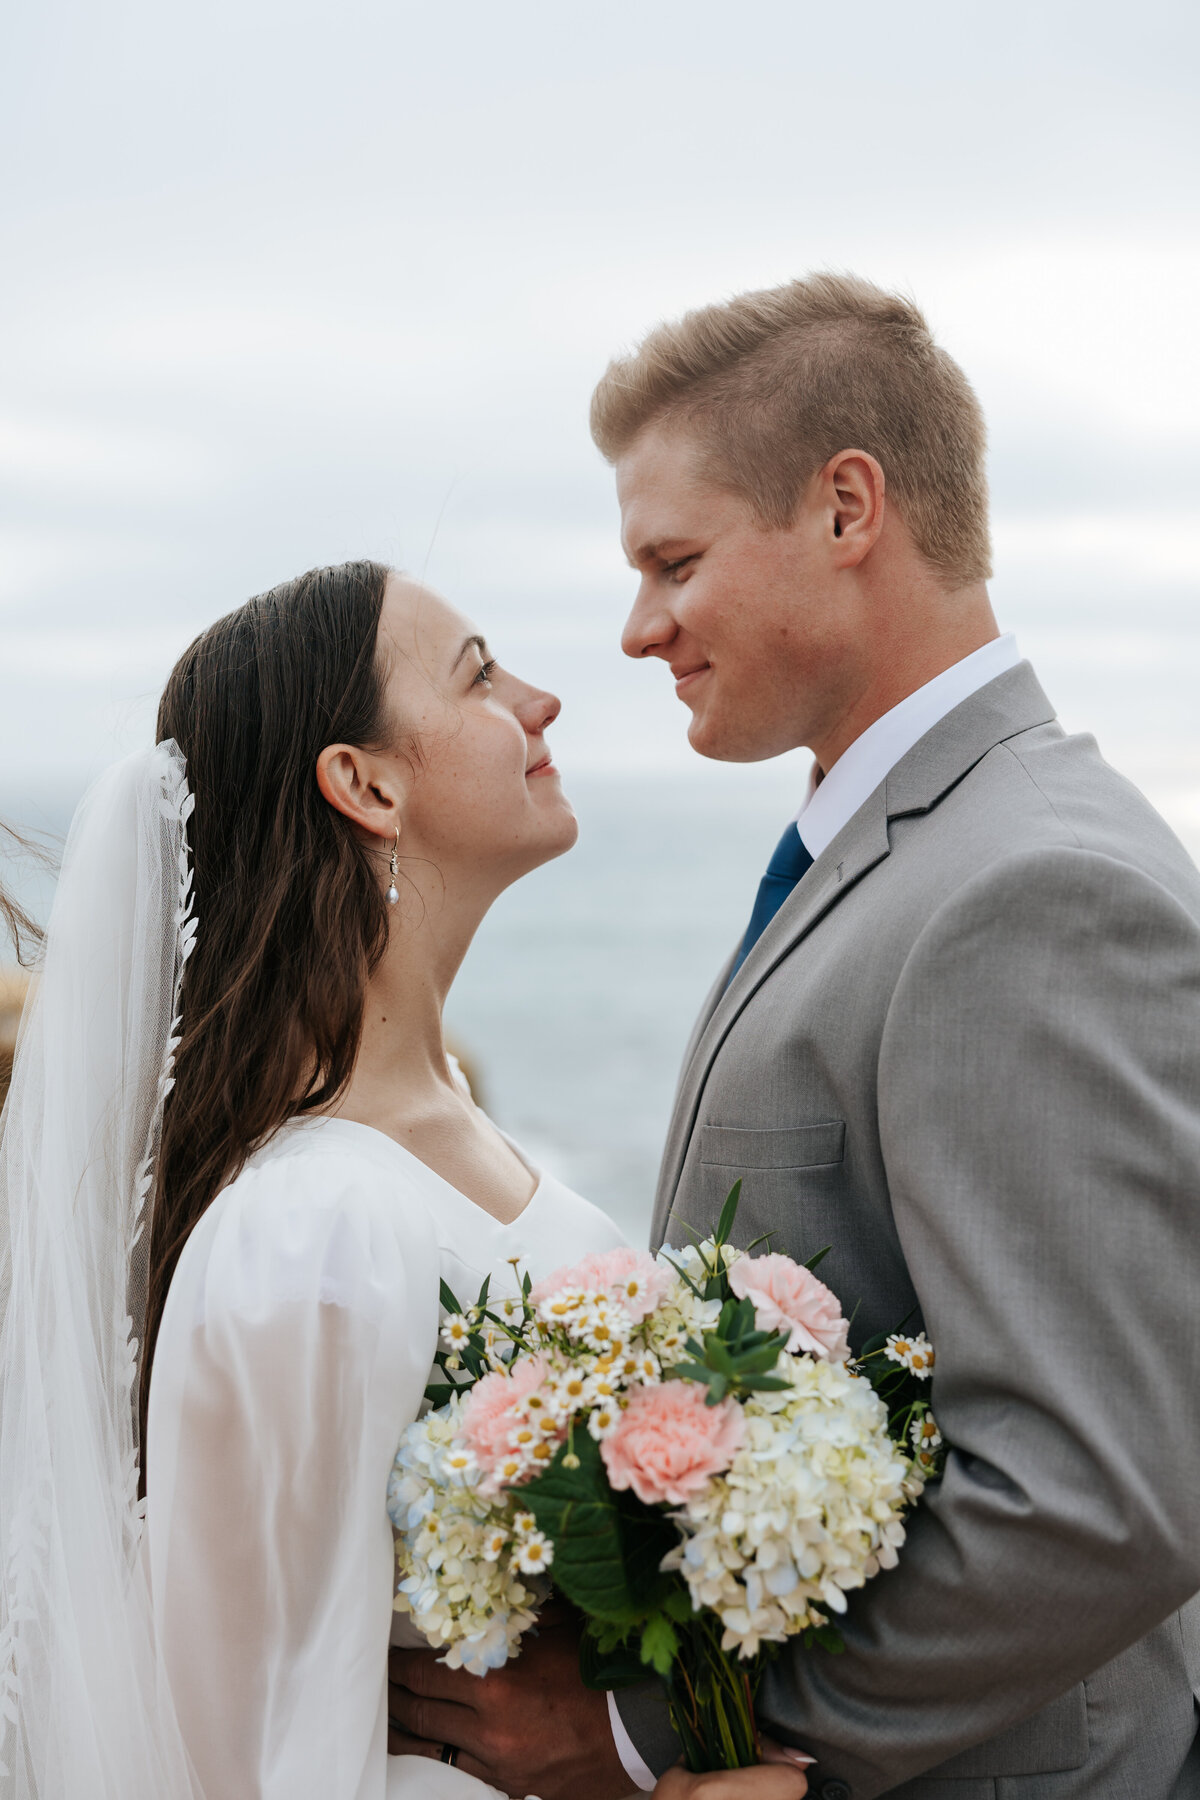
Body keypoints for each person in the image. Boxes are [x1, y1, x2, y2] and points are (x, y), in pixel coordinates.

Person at [388, 276, 1200, 1797]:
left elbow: (1097, 1495)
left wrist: (657, 1735)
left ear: (846, 509)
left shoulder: (1031, 890)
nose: (639, 629)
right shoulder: (898, 852)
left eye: (674, 562)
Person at [0, 559, 806, 1800]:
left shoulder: (457, 1130)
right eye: (480, 677)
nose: (541, 701)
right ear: (365, 784)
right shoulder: (306, 1229)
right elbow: (279, 1771)